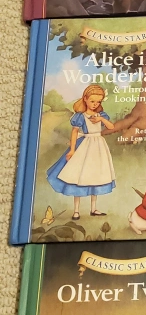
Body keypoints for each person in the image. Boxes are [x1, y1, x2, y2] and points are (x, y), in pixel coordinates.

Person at [46, 83, 116, 220]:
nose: (95, 104)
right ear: (85, 99)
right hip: (85, 145)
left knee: (95, 175)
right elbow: (74, 132)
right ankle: (76, 211)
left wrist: (101, 119)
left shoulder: (101, 115)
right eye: (92, 101)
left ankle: (93, 208)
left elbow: (111, 127)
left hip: (99, 146)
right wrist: (72, 150)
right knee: (78, 175)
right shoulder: (80, 116)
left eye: (98, 102)